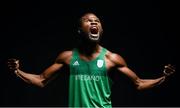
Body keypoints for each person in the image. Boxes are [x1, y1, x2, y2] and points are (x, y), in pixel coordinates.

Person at [7, 12, 175, 107]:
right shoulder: (67, 57)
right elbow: (41, 80)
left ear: (101, 29)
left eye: (97, 21)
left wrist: (164, 78)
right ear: (80, 30)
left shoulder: (112, 58)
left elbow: (138, 83)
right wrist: (16, 71)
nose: (94, 22)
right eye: (89, 21)